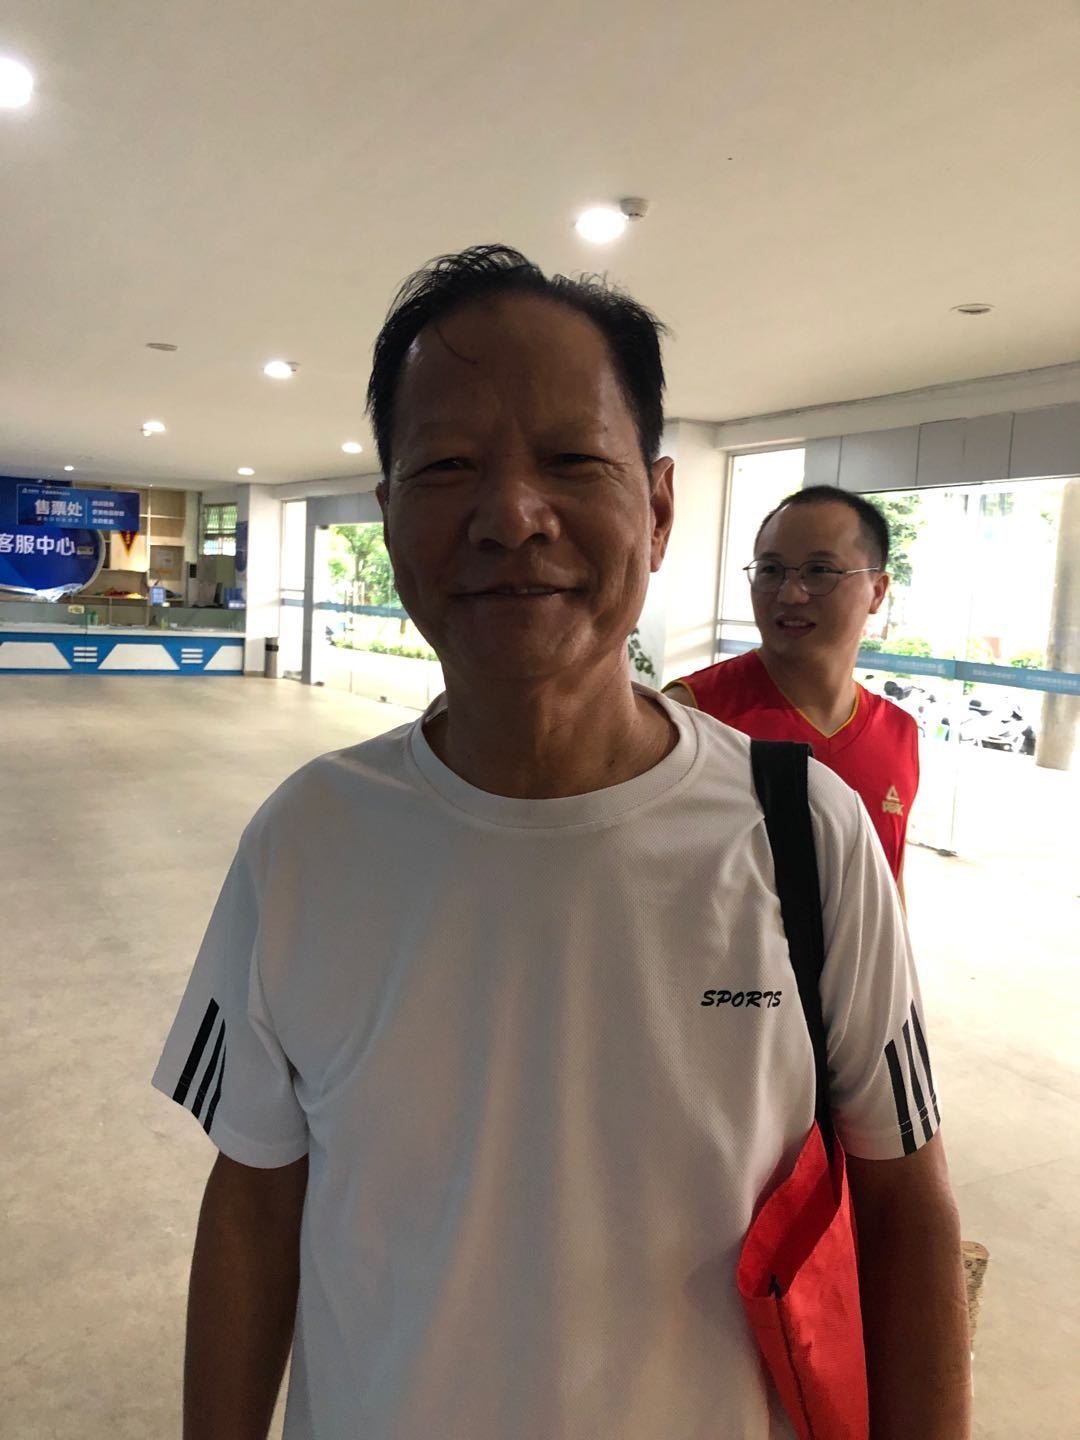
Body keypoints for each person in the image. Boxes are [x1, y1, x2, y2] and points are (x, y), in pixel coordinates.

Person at [154, 246, 969, 1439]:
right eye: (447, 466)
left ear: (660, 507)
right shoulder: (306, 839)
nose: (509, 516)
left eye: (572, 460)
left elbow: (905, 1206)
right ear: (388, 515)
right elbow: (253, 1204)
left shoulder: (803, 831)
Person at [666, 486, 918, 890]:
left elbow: (889, 882)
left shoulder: (897, 732)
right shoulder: (691, 715)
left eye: (819, 571)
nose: (790, 594)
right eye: (771, 570)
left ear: (877, 591)